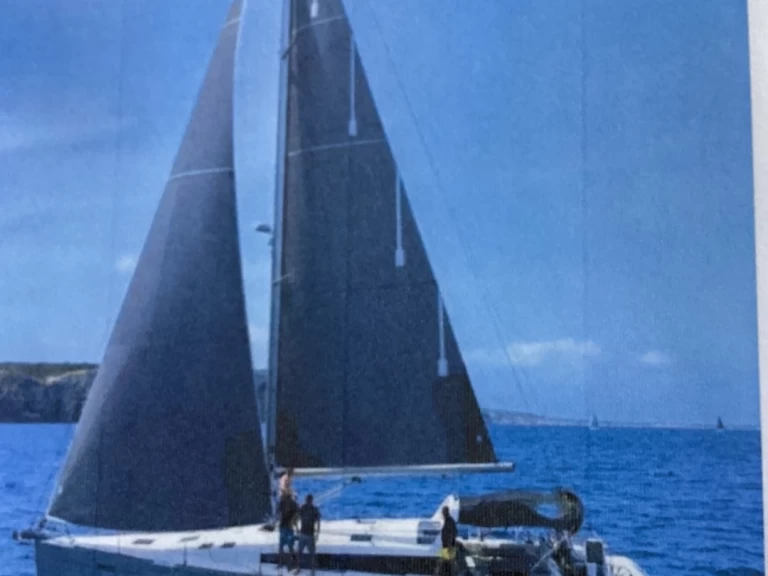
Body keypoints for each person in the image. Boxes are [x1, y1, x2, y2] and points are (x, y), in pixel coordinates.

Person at [296, 494, 321, 575]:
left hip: (309, 535)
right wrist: (297, 529)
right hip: (304, 534)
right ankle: (299, 568)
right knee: (300, 552)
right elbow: (296, 517)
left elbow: (318, 522)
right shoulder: (304, 508)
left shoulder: (313, 509)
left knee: (311, 553)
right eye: (307, 500)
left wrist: (317, 533)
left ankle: (312, 570)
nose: (308, 501)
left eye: (308, 500)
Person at [278, 492, 299, 571]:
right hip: (289, 528)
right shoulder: (294, 504)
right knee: (290, 547)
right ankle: (290, 565)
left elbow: (279, 514)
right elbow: (297, 514)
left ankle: (281, 564)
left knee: (281, 547)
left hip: (282, 527)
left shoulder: (282, 503)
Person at [435, 506, 458, 576]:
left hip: (447, 547)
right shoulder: (451, 521)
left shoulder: (448, 522)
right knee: (450, 565)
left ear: (445, 513)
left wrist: (449, 546)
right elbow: (455, 532)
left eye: (442, 512)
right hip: (451, 546)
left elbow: (449, 535)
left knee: (442, 564)